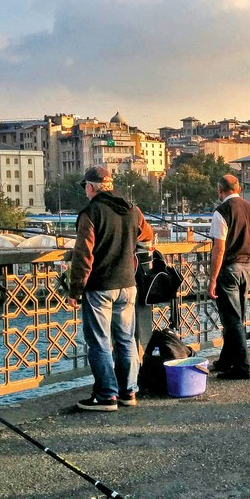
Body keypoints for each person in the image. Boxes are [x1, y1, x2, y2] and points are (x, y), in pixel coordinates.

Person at [68, 166, 154, 410]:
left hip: (100, 287)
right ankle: (128, 392)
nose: (85, 191)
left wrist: (75, 291)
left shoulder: (90, 212)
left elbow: (83, 256)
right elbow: (146, 234)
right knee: (126, 340)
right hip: (128, 283)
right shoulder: (131, 209)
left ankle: (107, 395)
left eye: (86, 186)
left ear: (92, 187)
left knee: (100, 342)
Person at [208, 175, 250, 379]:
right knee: (236, 317)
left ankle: (242, 367)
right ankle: (226, 360)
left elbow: (219, 248)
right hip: (247, 268)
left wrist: (213, 279)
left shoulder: (222, 211)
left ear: (219, 190)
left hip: (229, 269)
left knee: (232, 320)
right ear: (238, 188)